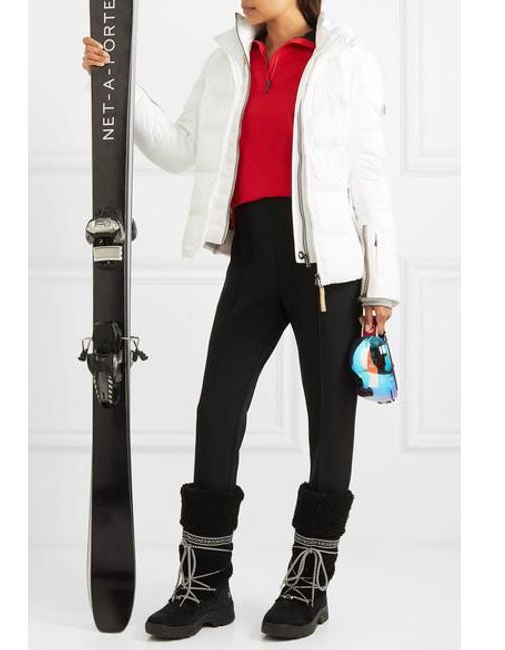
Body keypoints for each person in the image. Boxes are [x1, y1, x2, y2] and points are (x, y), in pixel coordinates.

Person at [82, 0, 400, 640]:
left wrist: (381, 286)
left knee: (330, 423)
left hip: (326, 272)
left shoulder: (344, 59)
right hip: (252, 258)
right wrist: (113, 81)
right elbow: (178, 147)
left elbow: (368, 177)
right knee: (218, 410)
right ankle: (205, 584)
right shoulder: (230, 59)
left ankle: (308, 584)